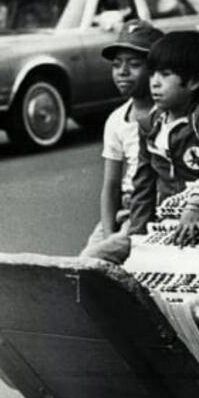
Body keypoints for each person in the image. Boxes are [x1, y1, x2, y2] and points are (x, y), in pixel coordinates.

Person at [127, 31, 199, 245]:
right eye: (153, 73)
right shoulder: (149, 125)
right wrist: (137, 239)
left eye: (165, 74)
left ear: (194, 81)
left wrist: (196, 204)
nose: (154, 83)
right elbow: (143, 186)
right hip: (168, 223)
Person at [79, 20, 165, 261]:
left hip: (148, 209)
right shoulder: (117, 120)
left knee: (91, 261)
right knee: (81, 266)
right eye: (117, 65)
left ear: (156, 70)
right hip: (122, 211)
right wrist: (108, 234)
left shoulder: (167, 114)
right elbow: (111, 184)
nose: (123, 72)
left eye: (135, 64)